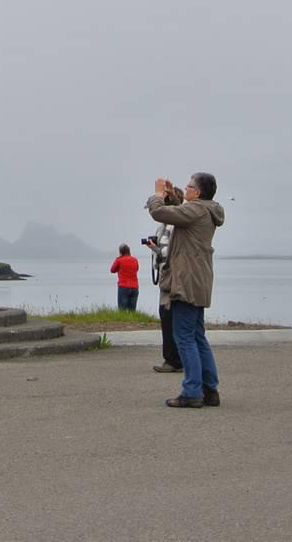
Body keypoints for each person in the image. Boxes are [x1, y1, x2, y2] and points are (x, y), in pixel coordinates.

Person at [147, 172, 226, 408]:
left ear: (198, 192)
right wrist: (172, 198)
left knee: (184, 338)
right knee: (197, 337)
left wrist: (158, 195)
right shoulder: (205, 210)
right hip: (199, 280)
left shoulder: (196, 210)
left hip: (186, 281)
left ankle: (192, 391)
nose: (186, 188)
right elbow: (178, 213)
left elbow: (159, 213)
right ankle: (209, 389)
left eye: (189, 186)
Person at [142, 184, 185, 372]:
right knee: (174, 321)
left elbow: (167, 253)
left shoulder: (171, 224)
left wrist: (155, 249)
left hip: (170, 279)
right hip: (172, 278)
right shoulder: (177, 221)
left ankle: (172, 360)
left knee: (168, 320)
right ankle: (177, 359)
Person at [110, 244, 140, 311]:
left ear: (121, 252)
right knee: (132, 310)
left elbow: (112, 270)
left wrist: (118, 258)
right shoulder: (135, 260)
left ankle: (123, 321)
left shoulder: (119, 260)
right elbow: (137, 269)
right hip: (134, 287)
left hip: (123, 287)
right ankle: (133, 321)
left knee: (122, 310)